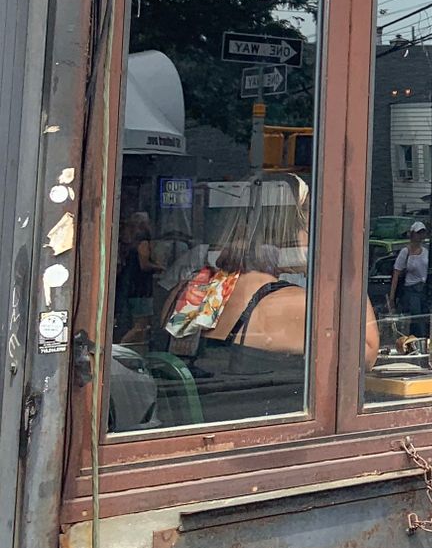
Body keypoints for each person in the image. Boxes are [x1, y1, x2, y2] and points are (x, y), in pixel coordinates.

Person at [161, 174, 379, 419]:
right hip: (267, 434)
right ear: (295, 227)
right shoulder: (291, 304)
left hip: (193, 431)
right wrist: (343, 268)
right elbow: (365, 355)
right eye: (310, 218)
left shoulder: (184, 291)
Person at [390, 222, 432, 319]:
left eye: (423, 233)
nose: (421, 236)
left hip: (424, 290)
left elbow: (429, 270)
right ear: (412, 234)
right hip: (411, 290)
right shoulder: (405, 252)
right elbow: (396, 274)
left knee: (425, 317)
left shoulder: (426, 252)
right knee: (416, 319)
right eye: (418, 233)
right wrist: (392, 298)